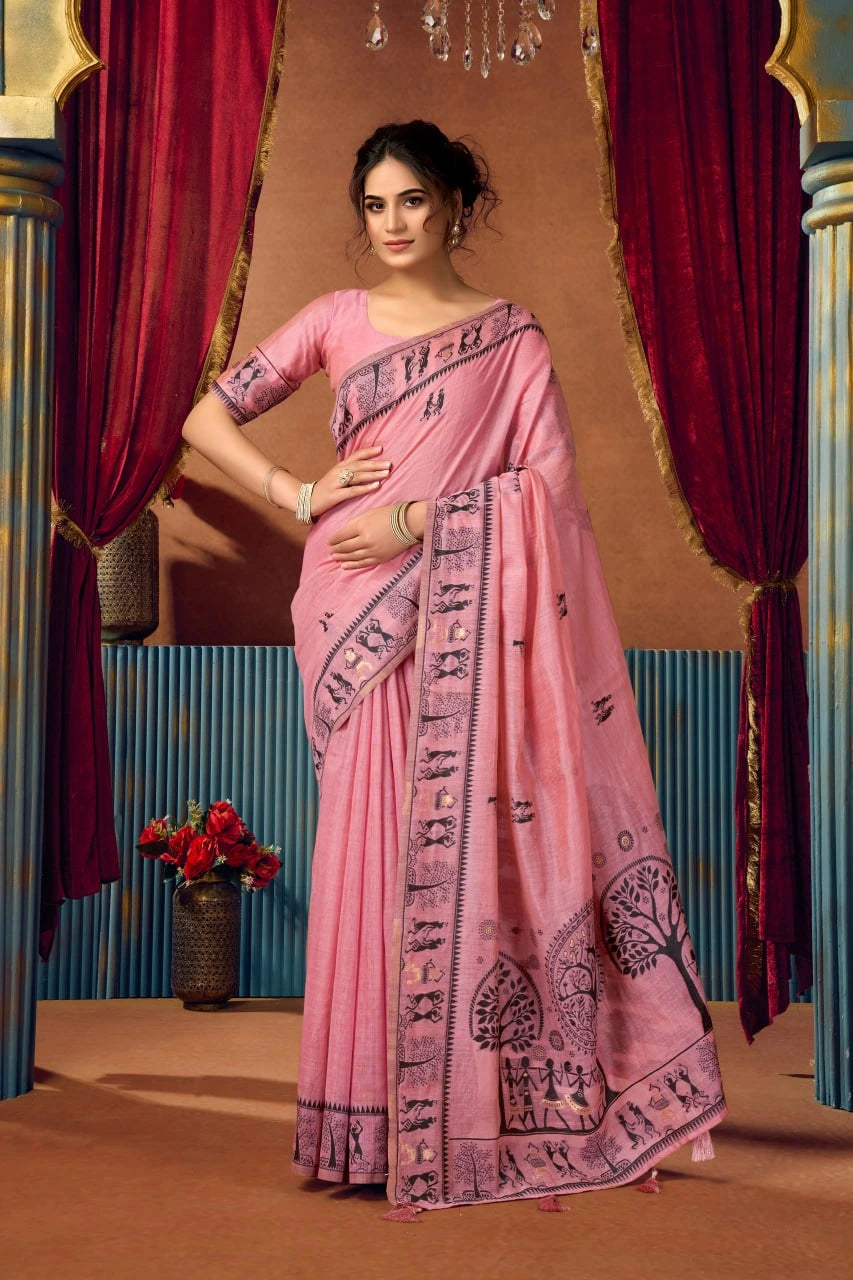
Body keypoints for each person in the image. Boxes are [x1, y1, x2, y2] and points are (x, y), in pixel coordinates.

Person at [181, 118, 726, 1212]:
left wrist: (419, 518)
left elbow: (551, 495)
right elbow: (206, 416)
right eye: (374, 204)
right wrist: (297, 493)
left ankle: (459, 1110)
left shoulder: (509, 337)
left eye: (412, 201)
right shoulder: (335, 320)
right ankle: (361, 1124)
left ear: (456, 206)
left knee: (457, 868)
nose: (390, 223)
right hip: (350, 626)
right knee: (366, 865)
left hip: (470, 634)